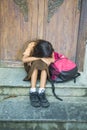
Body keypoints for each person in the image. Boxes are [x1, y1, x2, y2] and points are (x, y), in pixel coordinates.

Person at [22, 39, 55, 108]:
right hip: (31, 68)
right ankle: (33, 91)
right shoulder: (32, 45)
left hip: (43, 69)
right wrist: (39, 57)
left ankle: (41, 91)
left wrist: (44, 59)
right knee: (37, 63)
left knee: (43, 64)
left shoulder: (48, 47)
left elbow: (53, 59)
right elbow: (24, 59)